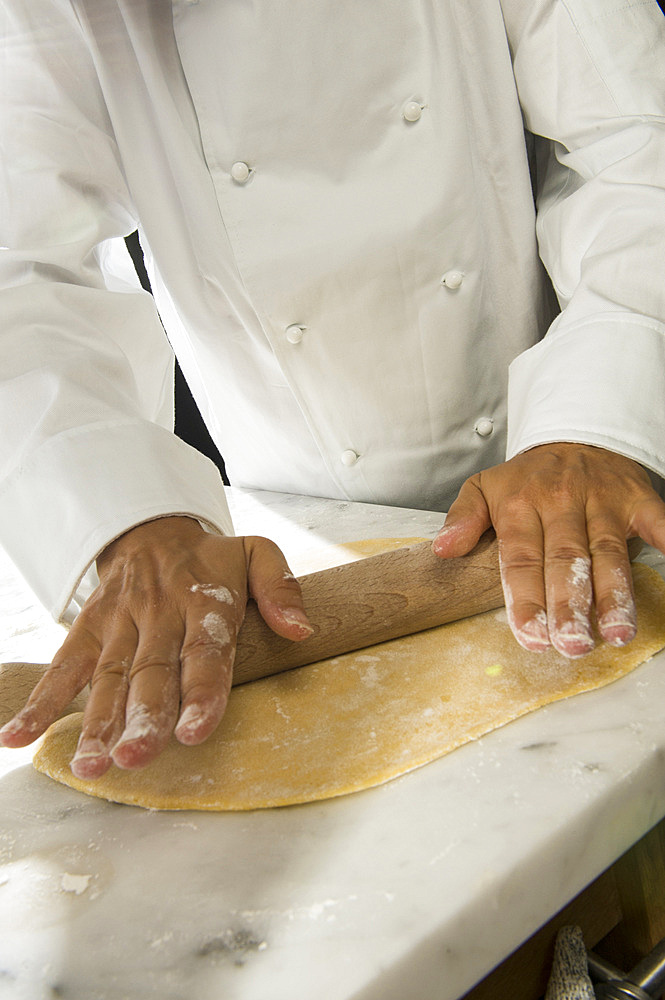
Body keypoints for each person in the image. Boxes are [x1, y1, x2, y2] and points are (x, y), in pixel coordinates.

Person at [1, 0, 665, 779]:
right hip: (296, 527)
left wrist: (594, 415)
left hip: (572, 470)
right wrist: (127, 519)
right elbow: (20, 270)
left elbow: (635, 149)